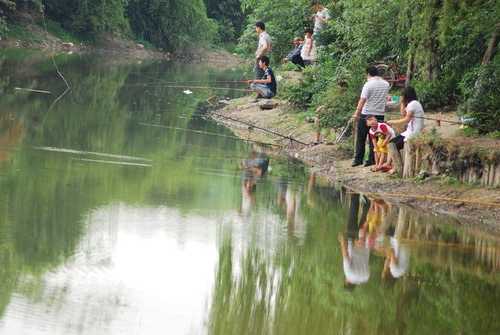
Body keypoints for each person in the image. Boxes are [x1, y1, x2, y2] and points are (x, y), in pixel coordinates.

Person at [352, 66, 390, 167]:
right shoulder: (386, 84)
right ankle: (372, 160)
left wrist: (356, 113)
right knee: (376, 139)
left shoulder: (368, 84)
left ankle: (358, 160)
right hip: (379, 115)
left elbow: (362, 100)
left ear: (368, 74)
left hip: (366, 114)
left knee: (361, 138)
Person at [384, 87, 425, 173]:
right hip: (409, 131)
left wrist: (392, 122)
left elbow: (406, 119)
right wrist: (402, 102)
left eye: (402, 95)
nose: (401, 97)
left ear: (406, 95)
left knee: (394, 144)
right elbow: (403, 114)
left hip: (414, 133)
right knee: (392, 143)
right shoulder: (412, 103)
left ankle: (395, 167)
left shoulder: (413, 104)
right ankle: (390, 164)